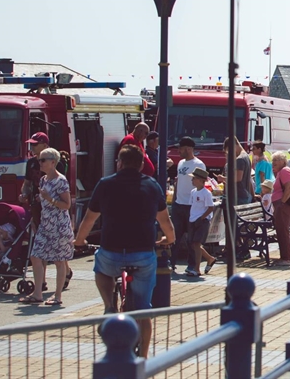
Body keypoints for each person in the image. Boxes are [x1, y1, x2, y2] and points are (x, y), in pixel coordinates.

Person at [74, 144, 175, 358]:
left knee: (101, 269)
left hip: (111, 250)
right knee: (143, 309)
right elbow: (165, 221)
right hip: (143, 254)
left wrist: (80, 240)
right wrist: (169, 239)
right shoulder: (152, 185)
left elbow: (89, 219)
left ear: (119, 162)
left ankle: (109, 305)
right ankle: (145, 357)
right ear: (140, 165)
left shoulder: (105, 184)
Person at [18, 148, 73, 306]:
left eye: (43, 160)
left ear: (53, 162)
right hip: (45, 224)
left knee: (59, 261)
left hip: (59, 226)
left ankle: (57, 296)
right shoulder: (43, 180)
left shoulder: (60, 181)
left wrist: (49, 199)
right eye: (39, 160)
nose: (39, 163)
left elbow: (66, 204)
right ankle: (37, 293)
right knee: (35, 256)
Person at [170, 137, 205, 271]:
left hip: (191, 206)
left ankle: (191, 265)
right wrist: (174, 199)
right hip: (179, 204)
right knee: (175, 236)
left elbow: (201, 185)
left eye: (181, 148)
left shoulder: (199, 164)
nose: (179, 151)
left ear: (189, 149)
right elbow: (178, 182)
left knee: (191, 239)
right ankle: (171, 262)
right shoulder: (180, 163)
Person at [184, 167, 217, 278]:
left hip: (202, 221)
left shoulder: (206, 193)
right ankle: (209, 258)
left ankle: (197, 269)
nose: (192, 181)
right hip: (193, 219)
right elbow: (192, 206)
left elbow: (210, 207)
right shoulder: (193, 192)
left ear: (201, 180)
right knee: (193, 244)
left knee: (197, 243)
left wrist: (202, 218)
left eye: (194, 179)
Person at [269, 152, 290, 264]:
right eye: (273, 160)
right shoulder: (281, 172)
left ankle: (286, 258)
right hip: (281, 205)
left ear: (283, 161)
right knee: (281, 230)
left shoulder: (285, 171)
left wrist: (281, 203)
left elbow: (289, 188)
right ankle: (285, 256)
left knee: (283, 230)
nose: (273, 162)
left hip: (283, 205)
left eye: (276, 160)